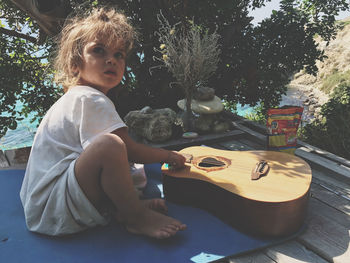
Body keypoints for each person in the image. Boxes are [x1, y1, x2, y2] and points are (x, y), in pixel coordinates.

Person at [20, 7, 187, 239]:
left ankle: (122, 207)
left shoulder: (78, 97)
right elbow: (129, 150)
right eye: (99, 50)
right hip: (55, 207)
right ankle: (135, 217)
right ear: (75, 64)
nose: (112, 59)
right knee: (111, 146)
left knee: (121, 161)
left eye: (119, 54)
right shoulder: (89, 98)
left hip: (45, 202)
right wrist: (168, 156)